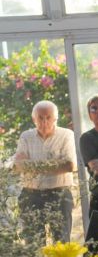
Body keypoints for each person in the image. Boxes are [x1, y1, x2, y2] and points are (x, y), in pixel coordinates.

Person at [13, 100, 77, 247]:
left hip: (59, 195)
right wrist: (54, 165)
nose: (44, 121)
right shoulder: (26, 136)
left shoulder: (66, 135)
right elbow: (17, 166)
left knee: (61, 245)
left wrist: (30, 165)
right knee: (33, 245)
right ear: (34, 119)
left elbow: (69, 165)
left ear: (55, 118)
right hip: (30, 195)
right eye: (40, 117)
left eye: (48, 117)